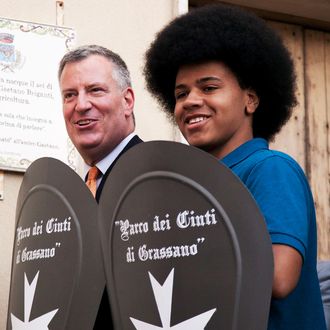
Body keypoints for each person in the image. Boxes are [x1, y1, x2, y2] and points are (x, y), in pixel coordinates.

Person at [143, 4, 326, 329]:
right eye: (180, 93)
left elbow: (279, 278)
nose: (190, 101)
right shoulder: (194, 188)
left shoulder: (271, 169)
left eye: (209, 87)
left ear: (250, 99)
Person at [58, 44, 142, 328]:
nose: (80, 105)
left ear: (127, 100)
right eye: (70, 95)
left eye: (95, 90)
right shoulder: (77, 191)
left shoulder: (155, 181)